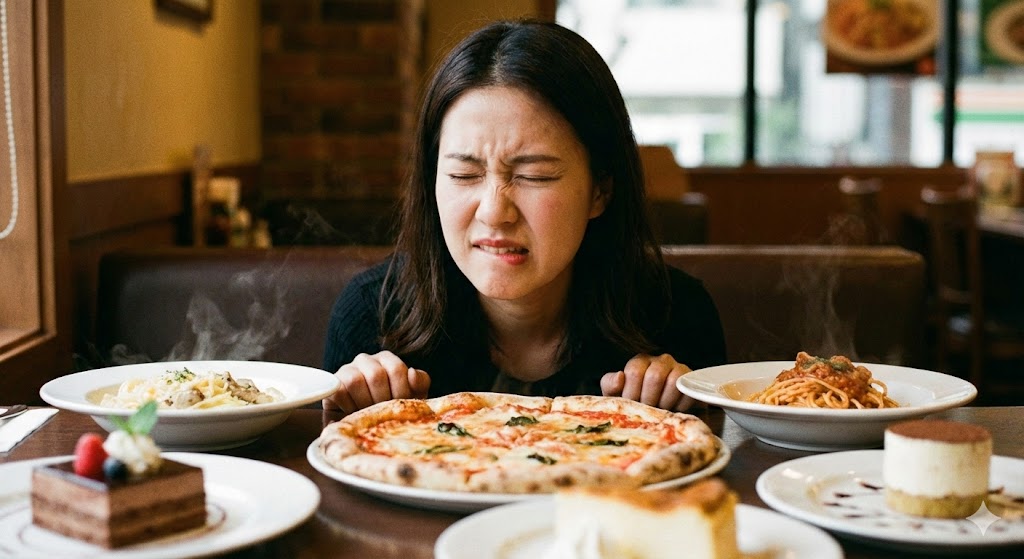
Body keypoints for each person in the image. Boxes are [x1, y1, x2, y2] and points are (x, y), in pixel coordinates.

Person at [322, 19, 725, 414]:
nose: (494, 211)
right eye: (464, 174)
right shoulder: (371, 317)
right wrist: (349, 408)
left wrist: (682, 401)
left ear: (600, 191)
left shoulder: (676, 318)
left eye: (534, 176)